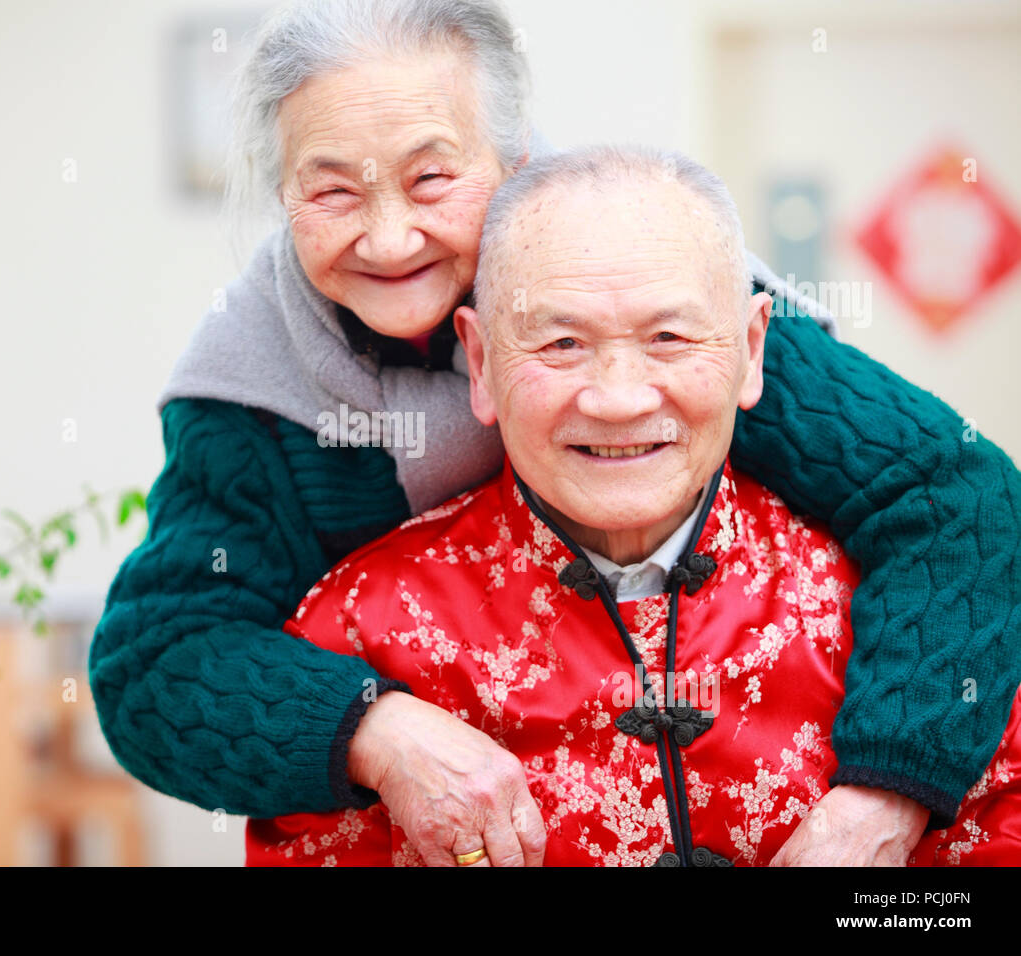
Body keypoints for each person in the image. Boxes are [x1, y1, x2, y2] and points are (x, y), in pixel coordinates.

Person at [88, 0, 1021, 866]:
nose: (387, 239)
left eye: (432, 178)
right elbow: (158, 661)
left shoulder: (665, 291)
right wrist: (377, 730)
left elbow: (955, 493)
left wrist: (886, 793)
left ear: (514, 158)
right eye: (331, 192)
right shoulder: (251, 397)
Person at [245, 145, 1021, 866]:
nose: (618, 398)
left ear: (752, 350)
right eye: (561, 345)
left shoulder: (911, 614)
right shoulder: (356, 633)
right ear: (480, 362)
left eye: (670, 337)